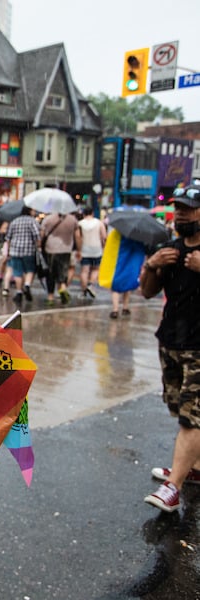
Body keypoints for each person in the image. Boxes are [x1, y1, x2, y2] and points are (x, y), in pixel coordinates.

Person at [140, 184, 200, 513]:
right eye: (178, 208)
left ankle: (173, 486)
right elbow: (148, 292)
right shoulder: (170, 250)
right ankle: (193, 467)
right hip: (172, 342)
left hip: (199, 349)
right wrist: (152, 264)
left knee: (192, 418)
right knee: (179, 409)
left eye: (189, 208)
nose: (181, 214)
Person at [1, 205, 40, 303]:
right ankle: (27, 285)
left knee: (17, 272)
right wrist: (39, 247)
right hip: (29, 250)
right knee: (30, 270)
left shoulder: (15, 221)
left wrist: (9, 251)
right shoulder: (33, 221)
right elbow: (37, 236)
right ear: (29, 211)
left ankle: (19, 292)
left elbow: (8, 238)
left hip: (15, 251)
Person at [40, 209, 77, 304]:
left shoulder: (48, 219)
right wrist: (79, 249)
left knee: (50, 273)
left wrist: (39, 246)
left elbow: (42, 234)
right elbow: (77, 235)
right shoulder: (73, 220)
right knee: (63, 270)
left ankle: (50, 297)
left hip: (50, 248)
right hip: (66, 248)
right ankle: (63, 287)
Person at [75, 208, 106, 298]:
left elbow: (77, 236)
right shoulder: (99, 223)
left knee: (84, 271)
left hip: (84, 249)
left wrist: (79, 249)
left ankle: (84, 290)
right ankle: (90, 284)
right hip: (97, 249)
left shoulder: (80, 224)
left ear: (84, 214)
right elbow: (104, 236)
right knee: (95, 269)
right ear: (92, 213)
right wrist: (103, 247)